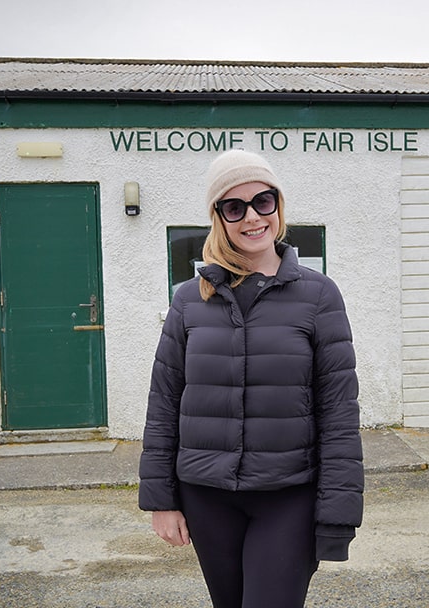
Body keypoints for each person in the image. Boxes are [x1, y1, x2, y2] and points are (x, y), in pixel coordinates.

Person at [139, 149, 364, 608]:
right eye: (233, 206)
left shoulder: (318, 295)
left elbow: (339, 410)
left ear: (278, 205)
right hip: (206, 495)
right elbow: (164, 402)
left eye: (262, 201)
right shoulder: (189, 300)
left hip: (288, 495)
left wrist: (338, 517)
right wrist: (160, 499)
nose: (251, 217)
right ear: (218, 217)